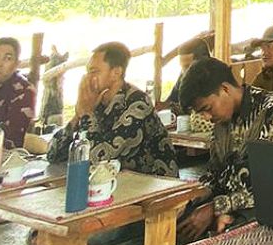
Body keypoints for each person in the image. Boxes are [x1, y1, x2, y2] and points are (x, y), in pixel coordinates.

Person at [176, 57, 273, 242]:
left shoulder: (272, 110)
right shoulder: (222, 119)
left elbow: (272, 187)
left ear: (225, 89)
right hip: (231, 202)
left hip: (270, 205)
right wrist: (195, 197)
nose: (207, 117)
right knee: (181, 219)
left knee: (224, 231)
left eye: (207, 108)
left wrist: (216, 207)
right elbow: (215, 174)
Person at [47, 42, 178, 177]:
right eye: (87, 72)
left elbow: (98, 159)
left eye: (94, 72)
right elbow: (53, 155)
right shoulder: (96, 101)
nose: (87, 78)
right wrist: (78, 116)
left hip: (153, 184)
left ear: (116, 73)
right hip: (117, 183)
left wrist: (87, 114)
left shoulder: (137, 103)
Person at [162, 35, 211, 114]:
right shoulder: (184, 74)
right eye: (182, 67)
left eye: (187, 66)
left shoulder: (216, 78)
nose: (184, 72)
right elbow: (171, 101)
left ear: (204, 62)